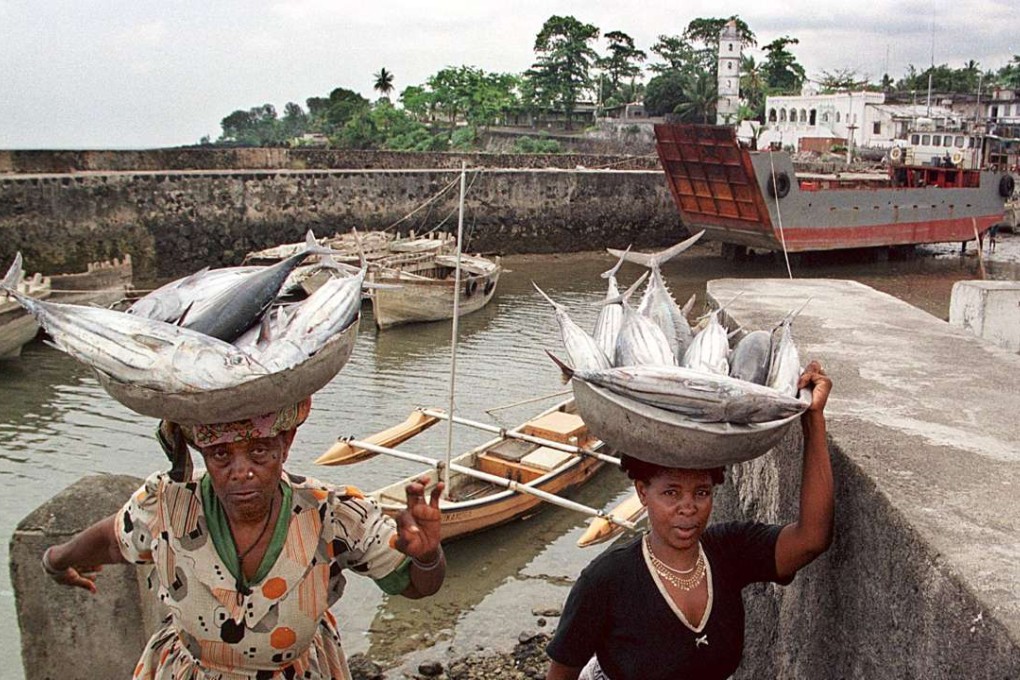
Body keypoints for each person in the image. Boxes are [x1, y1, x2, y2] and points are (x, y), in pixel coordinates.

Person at [40, 397, 446, 679]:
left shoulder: (333, 512)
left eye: (259, 453)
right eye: (221, 455)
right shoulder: (166, 505)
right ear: (201, 452)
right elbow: (114, 540)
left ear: (285, 445)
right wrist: (58, 560)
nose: (241, 471)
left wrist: (427, 557)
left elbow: (415, 586)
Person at [545, 361, 833, 680]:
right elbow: (561, 674)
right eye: (670, 493)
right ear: (643, 492)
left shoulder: (729, 551)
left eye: (701, 492)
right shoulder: (606, 580)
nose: (688, 508)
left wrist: (813, 421)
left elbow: (811, 539)